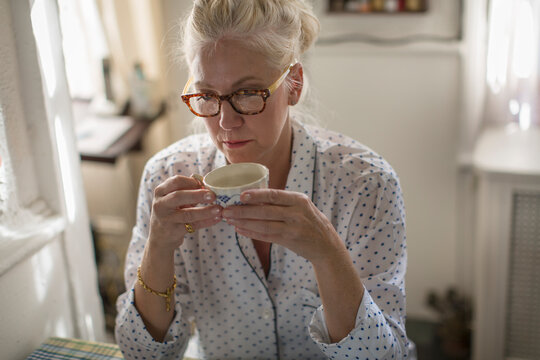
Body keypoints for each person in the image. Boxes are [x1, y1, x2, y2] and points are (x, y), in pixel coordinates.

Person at [115, 0, 413, 358]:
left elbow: (383, 356)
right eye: (208, 95)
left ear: (294, 84)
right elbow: (142, 354)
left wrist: (328, 253)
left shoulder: (365, 185)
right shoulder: (166, 178)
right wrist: (158, 249)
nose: (225, 122)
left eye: (247, 94)